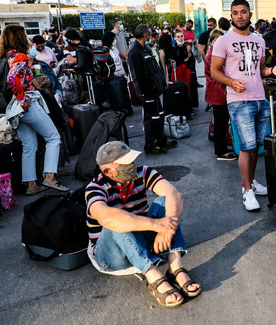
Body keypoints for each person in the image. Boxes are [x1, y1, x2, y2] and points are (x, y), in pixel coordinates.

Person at [85, 141, 201, 308]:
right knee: (116, 220)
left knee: (165, 202)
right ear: (108, 171)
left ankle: (175, 268)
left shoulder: (143, 172)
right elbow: (105, 217)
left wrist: (166, 231)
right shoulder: (95, 188)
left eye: (131, 161)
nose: (131, 166)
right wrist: (156, 225)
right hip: (111, 254)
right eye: (125, 164)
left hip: (141, 240)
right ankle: (153, 277)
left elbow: (174, 194)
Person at [211, 0, 276, 212]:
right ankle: (246, 190)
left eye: (243, 12)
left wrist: (273, 71)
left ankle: (252, 181)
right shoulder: (223, 41)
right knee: (246, 148)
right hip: (239, 101)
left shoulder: (259, 40)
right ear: (231, 16)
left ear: (250, 14)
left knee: (256, 147)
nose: (239, 16)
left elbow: (261, 69)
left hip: (259, 99)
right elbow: (214, 70)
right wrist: (231, 82)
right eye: (235, 12)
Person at [1, 24, 68, 195]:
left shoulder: (6, 56)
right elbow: (12, 79)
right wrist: (24, 100)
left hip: (15, 107)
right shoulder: (20, 57)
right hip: (26, 103)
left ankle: (31, 184)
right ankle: (50, 177)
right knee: (53, 137)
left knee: (29, 145)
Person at [128, 24, 177, 154]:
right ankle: (151, 145)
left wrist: (160, 83)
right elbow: (140, 75)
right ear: (145, 36)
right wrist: (151, 87)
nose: (152, 37)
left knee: (159, 116)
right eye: (150, 35)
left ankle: (161, 140)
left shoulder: (145, 49)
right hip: (148, 92)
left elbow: (154, 68)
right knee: (151, 119)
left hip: (154, 91)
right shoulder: (135, 52)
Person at [204, 29, 236, 160]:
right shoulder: (212, 55)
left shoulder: (213, 53)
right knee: (220, 122)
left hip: (218, 92)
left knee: (221, 121)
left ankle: (222, 148)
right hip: (218, 92)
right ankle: (221, 151)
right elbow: (218, 74)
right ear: (212, 41)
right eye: (218, 40)